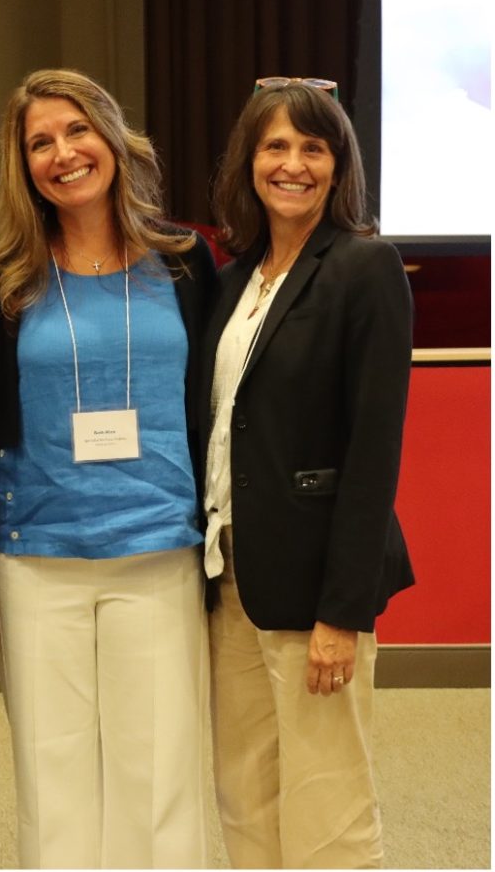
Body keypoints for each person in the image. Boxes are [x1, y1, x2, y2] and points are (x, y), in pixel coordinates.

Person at [0, 68, 218, 869]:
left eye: (77, 131)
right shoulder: (3, 279)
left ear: (113, 138)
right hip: (41, 552)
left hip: (157, 546)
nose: (63, 153)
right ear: (23, 165)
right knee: (54, 773)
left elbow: (217, 402)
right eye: (40, 142)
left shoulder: (184, 263)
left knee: (159, 775)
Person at [201, 77, 414, 868]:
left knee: (328, 806)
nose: (293, 164)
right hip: (230, 580)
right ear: (248, 163)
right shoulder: (232, 282)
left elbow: (373, 453)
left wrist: (342, 612)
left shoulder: (364, 267)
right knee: (245, 794)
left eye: (313, 148)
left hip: (314, 594)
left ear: (338, 164)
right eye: (275, 147)